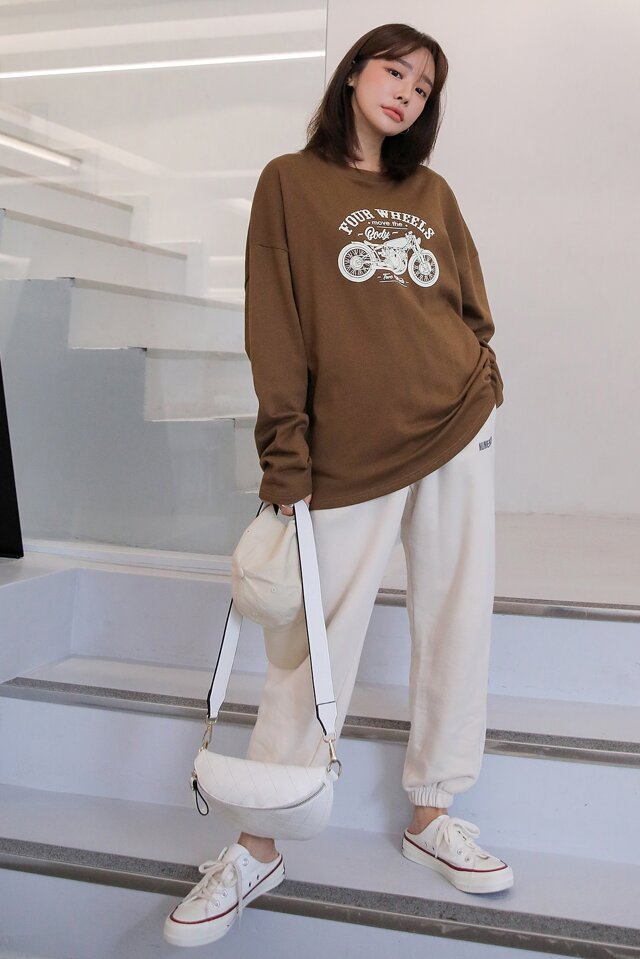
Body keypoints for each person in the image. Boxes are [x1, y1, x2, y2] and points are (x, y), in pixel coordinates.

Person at [164, 22, 512, 949]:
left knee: (456, 618)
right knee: (309, 643)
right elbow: (274, 325)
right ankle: (258, 841)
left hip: (457, 428)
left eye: (424, 87)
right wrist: (286, 453)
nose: (407, 92)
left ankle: (434, 813)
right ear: (356, 72)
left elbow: (473, 306)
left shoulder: (430, 193)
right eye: (396, 71)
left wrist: (481, 375)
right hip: (347, 452)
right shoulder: (290, 182)